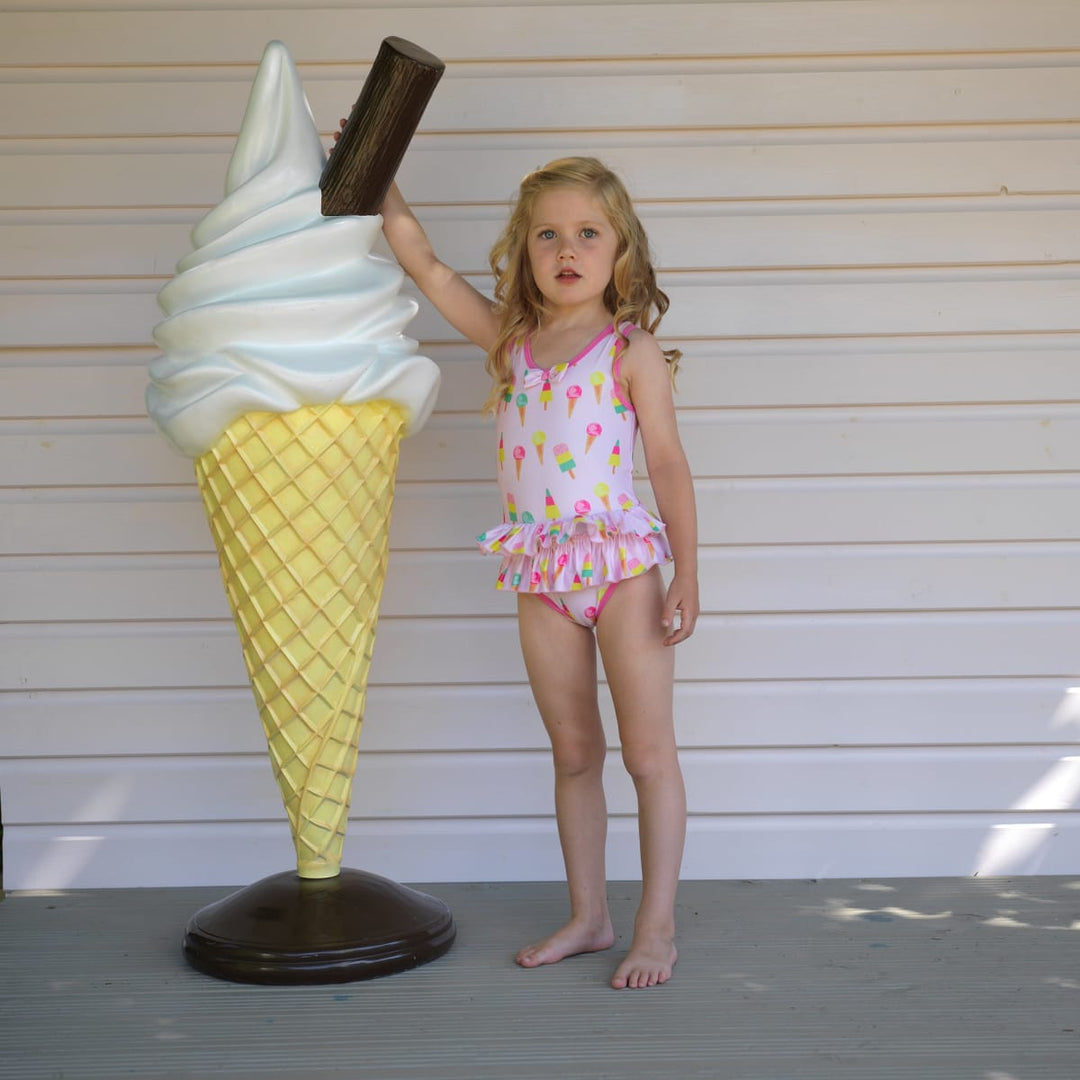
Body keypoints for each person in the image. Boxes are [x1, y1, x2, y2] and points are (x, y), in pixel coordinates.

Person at [346, 139, 699, 988]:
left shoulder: (628, 350)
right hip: (540, 575)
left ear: (622, 251)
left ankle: (656, 928)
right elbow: (427, 269)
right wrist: (380, 177)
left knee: (648, 755)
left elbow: (668, 465)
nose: (567, 250)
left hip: (620, 567)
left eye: (587, 233)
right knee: (574, 752)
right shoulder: (511, 342)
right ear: (524, 251)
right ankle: (589, 913)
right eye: (546, 236)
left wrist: (688, 571)